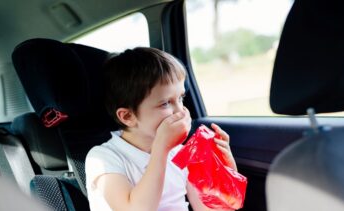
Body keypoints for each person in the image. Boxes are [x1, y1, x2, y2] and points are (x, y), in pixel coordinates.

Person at [85, 47, 238, 211]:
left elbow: (212, 209)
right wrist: (161, 148)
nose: (181, 111)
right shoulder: (103, 158)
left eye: (181, 98)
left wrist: (226, 171)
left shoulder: (181, 153)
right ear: (128, 117)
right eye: (165, 103)